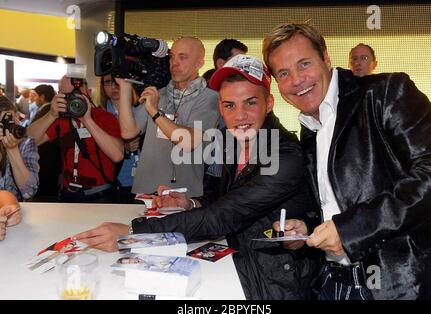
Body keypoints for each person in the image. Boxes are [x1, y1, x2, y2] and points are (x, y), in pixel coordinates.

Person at [75, 55, 319, 300]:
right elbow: (221, 195)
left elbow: (225, 214)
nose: (240, 115)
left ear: (269, 104)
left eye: (251, 103)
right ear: (220, 108)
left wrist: (133, 231)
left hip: (276, 282)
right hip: (237, 264)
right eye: (230, 105)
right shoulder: (230, 140)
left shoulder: (285, 154)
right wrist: (190, 202)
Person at [262, 23, 431, 299]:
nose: (296, 80)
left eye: (304, 64)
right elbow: (339, 202)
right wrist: (307, 229)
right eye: (284, 73)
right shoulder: (309, 128)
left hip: (403, 285)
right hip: (333, 283)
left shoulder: (385, 93)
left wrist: (350, 231)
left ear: (326, 58)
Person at [117, 36, 220, 198]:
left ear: (199, 63)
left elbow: (188, 141)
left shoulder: (210, 98)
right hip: (145, 192)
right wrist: (124, 86)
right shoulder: (160, 93)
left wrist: (155, 112)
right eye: (172, 56)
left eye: (182, 57)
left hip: (183, 196)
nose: (174, 62)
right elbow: (129, 132)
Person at [27, 74, 124, 203]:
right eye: (66, 96)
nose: (71, 100)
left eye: (74, 94)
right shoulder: (60, 119)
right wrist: (51, 114)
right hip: (68, 192)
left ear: (88, 92)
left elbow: (117, 155)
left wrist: (87, 120)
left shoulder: (105, 118)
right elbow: (29, 140)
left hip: (99, 193)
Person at [99, 74, 141, 203]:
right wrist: (124, 147)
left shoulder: (142, 110)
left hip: (143, 180)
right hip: (114, 181)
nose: (113, 86)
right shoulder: (98, 115)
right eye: (108, 82)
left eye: (117, 82)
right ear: (102, 87)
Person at [0, 96, 39, 200]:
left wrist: (12, 149)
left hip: (15, 208)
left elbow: (29, 192)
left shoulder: (26, 142)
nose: (8, 126)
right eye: (3, 123)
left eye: (11, 120)